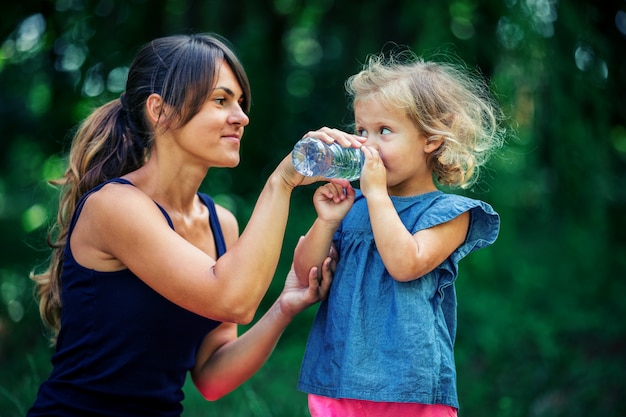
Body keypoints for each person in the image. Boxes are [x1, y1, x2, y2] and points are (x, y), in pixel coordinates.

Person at [27, 33, 362, 416]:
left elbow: (212, 376)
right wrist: (280, 182)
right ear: (160, 111)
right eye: (221, 101)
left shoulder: (221, 224)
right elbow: (233, 298)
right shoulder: (113, 207)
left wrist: (284, 307)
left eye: (240, 102)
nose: (242, 117)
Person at [293, 49, 505, 416]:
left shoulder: (447, 213)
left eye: (384, 131)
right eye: (361, 131)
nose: (367, 144)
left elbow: (405, 264)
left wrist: (375, 194)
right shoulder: (354, 206)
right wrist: (327, 221)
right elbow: (304, 275)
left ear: (431, 139)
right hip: (340, 376)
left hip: (408, 386)